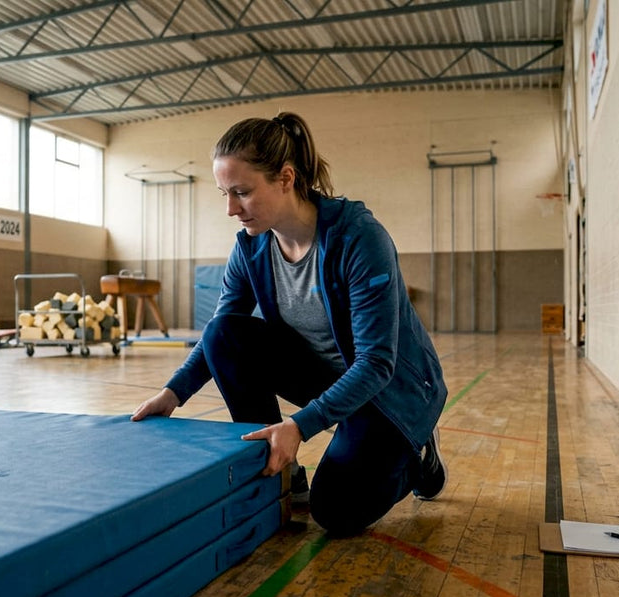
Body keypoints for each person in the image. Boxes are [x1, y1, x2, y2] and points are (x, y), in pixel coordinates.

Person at [132, 112, 448, 536]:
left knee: (335, 511)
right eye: (224, 194)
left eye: (242, 192)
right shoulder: (250, 248)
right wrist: (174, 393)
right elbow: (220, 332)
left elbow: (376, 362)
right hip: (326, 377)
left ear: (285, 178)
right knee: (225, 334)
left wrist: (300, 425)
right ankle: (284, 472)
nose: (230, 209)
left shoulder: (358, 238)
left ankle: (418, 453)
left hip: (389, 393)